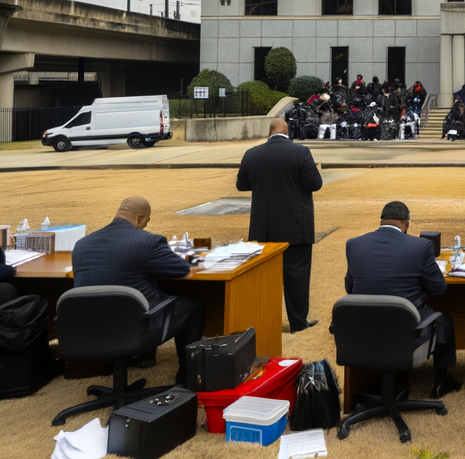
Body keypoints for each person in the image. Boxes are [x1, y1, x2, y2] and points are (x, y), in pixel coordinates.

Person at [71, 197, 205, 386]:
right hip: (134, 330)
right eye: (146, 222)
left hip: (88, 331)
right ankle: (187, 379)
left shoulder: (81, 245)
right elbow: (181, 269)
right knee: (193, 306)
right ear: (140, 218)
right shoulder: (148, 241)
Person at [344, 201, 461, 398]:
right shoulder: (421, 246)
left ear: (381, 220)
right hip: (406, 333)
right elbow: (439, 288)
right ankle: (442, 382)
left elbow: (350, 288)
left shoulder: (354, 244)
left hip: (362, 333)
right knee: (445, 319)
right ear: (406, 223)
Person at [237, 118, 323, 333]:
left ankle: (264, 321)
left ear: (270, 132)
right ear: (287, 130)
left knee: (264, 279)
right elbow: (315, 183)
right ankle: (298, 322)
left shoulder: (252, 153)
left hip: (263, 227)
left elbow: (242, 184)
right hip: (295, 225)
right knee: (297, 277)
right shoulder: (300, 152)